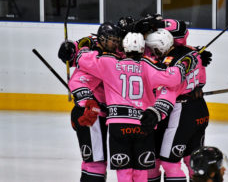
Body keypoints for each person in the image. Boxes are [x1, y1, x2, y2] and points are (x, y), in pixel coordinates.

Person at [75, 32, 194, 182]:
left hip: (118, 125)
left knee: (124, 172)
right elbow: (174, 78)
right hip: (143, 124)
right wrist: (186, 62)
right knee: (141, 172)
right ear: (143, 48)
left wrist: (85, 44)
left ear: (123, 48)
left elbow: (82, 60)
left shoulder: (109, 63)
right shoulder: (148, 66)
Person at [57, 22, 123, 182]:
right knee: (96, 162)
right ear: (101, 39)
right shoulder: (92, 54)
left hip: (98, 112)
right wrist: (67, 48)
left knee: (93, 161)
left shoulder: (112, 54)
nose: (115, 44)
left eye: (116, 40)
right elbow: (77, 80)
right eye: (111, 40)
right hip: (90, 112)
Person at [145, 27, 212, 182]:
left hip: (180, 112)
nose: (151, 52)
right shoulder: (194, 52)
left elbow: (167, 91)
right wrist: (197, 88)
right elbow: (201, 81)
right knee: (193, 159)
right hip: (199, 108)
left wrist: (156, 113)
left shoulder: (169, 64)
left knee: (170, 163)